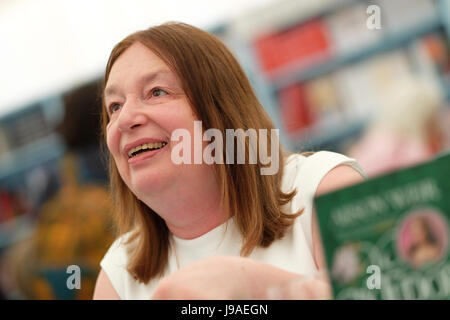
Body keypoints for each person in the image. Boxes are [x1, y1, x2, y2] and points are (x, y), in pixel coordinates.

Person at [93, 22, 366, 300]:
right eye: (114, 106)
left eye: (156, 92)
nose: (124, 119)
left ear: (221, 110)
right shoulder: (118, 275)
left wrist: (253, 286)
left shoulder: (325, 190)